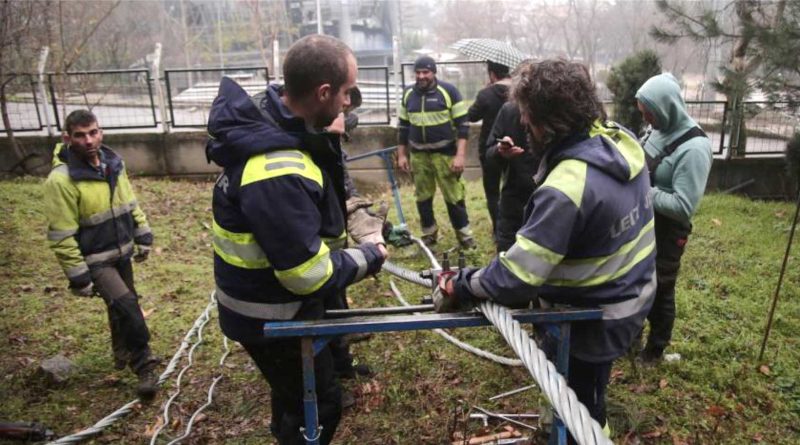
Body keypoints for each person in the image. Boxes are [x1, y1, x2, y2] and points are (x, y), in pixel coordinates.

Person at [433, 60, 657, 439]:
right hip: (630, 298)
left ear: (545, 120)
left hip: (592, 320)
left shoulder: (567, 188)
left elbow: (517, 278)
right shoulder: (618, 141)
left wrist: (462, 284)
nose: (522, 122)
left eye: (526, 114)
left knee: (578, 404)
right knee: (588, 396)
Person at [206, 35, 387, 445]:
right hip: (269, 312)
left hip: (267, 300)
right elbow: (306, 274)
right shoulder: (276, 170)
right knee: (320, 404)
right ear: (323, 92)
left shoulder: (278, 121)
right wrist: (370, 255)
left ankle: (284, 427)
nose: (348, 104)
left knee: (292, 394)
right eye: (346, 93)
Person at [43, 110, 159, 400]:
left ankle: (121, 351)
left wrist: (142, 232)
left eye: (93, 132)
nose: (89, 140)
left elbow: (129, 201)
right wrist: (78, 275)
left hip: (121, 251)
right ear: (67, 138)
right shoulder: (61, 181)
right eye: (80, 135)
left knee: (119, 306)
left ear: (101, 132)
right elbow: (61, 235)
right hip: (96, 260)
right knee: (128, 305)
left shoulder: (113, 163)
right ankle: (145, 365)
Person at [635, 73, 713, 362]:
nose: (647, 120)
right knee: (636, 281)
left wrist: (643, 191)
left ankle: (655, 349)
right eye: (643, 114)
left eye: (649, 114)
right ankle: (631, 337)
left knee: (660, 288)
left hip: (668, 230)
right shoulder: (658, 129)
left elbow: (683, 205)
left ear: (667, 107)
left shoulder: (694, 149)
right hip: (644, 223)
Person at [396, 56, 475, 249]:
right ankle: (429, 235)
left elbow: (463, 126)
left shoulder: (449, 92)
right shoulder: (408, 94)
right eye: (418, 72)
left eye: (426, 72)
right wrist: (402, 154)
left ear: (434, 72)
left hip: (446, 156)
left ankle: (465, 239)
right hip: (419, 156)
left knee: (454, 197)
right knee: (423, 197)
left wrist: (460, 155)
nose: (421, 76)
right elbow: (403, 127)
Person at [485, 101, 541, 252]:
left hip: (552, 202)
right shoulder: (510, 110)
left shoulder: (565, 112)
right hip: (515, 202)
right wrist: (500, 151)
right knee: (507, 259)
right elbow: (489, 154)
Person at [468, 61, 513, 236]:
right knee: (514, 188)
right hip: (516, 147)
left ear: (492, 74)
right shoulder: (519, 92)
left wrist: (485, 91)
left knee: (493, 192)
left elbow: (471, 116)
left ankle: (497, 229)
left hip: (491, 148)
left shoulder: (486, 94)